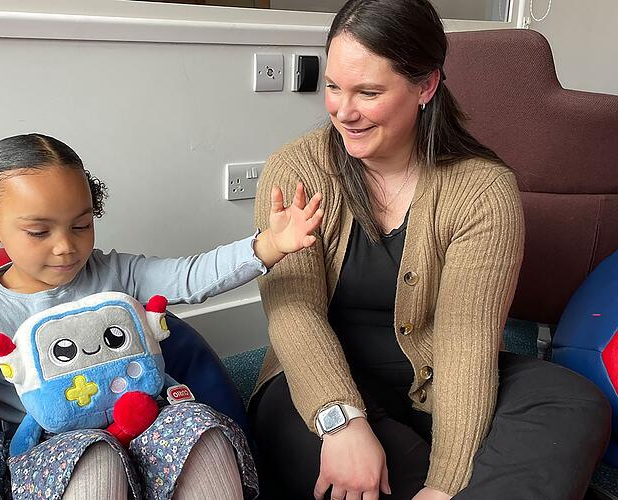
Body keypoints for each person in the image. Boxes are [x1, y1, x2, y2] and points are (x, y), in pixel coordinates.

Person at [248, 1, 611, 499]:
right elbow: (294, 314)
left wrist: (443, 485)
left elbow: (466, 341)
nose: (343, 112)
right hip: (319, 377)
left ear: (426, 86)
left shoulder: (482, 190)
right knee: (351, 462)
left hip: (437, 371)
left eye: (368, 92)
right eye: (333, 87)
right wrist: (341, 422)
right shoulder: (297, 170)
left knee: (573, 404)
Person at [0, 133, 323, 500]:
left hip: (141, 420)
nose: (67, 246)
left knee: (202, 431)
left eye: (82, 225)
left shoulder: (114, 272)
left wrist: (268, 245)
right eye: (39, 231)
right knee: (93, 456)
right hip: (46, 446)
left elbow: (189, 275)